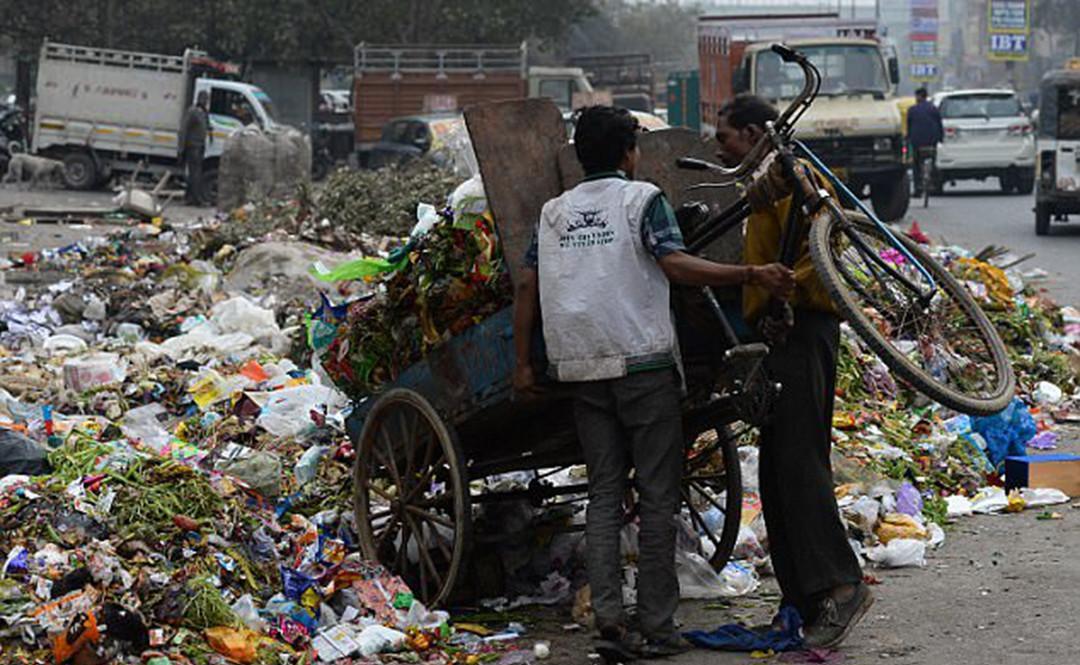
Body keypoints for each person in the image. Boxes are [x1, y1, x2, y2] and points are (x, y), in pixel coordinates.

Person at [512, 105, 795, 662]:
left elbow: (527, 287)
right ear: (627, 153)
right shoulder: (642, 200)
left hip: (581, 369)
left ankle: (611, 621)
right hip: (643, 366)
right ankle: (658, 626)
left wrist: (523, 363)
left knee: (603, 495)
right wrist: (748, 274)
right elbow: (675, 264)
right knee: (660, 499)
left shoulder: (553, 214)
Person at [713, 93, 873, 649]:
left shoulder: (793, 175)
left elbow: (822, 243)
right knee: (777, 473)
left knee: (801, 461)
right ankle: (801, 597)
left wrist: (790, 291)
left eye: (726, 137)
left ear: (756, 131)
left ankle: (840, 585)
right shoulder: (761, 185)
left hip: (803, 327)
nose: (721, 148)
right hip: (776, 330)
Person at [907, 87, 944, 196]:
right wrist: (940, 139)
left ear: (918, 97)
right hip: (932, 141)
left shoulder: (912, 110)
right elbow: (939, 124)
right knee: (933, 161)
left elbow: (909, 127)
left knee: (916, 164)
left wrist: (908, 138)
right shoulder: (933, 109)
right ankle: (933, 183)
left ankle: (918, 188)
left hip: (917, 142)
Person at [179, 90, 211, 205]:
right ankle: (197, 199)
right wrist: (181, 148)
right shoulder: (193, 111)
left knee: (195, 173)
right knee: (195, 174)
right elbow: (184, 130)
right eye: (204, 98)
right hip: (193, 146)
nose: (206, 101)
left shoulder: (203, 112)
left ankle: (189, 198)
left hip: (200, 146)